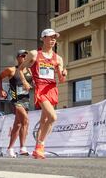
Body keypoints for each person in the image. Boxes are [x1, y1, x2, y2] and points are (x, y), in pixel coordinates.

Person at [19, 28, 67, 159]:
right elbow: (21, 69)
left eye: (54, 38)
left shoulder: (58, 58)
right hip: (41, 88)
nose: (53, 40)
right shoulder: (34, 54)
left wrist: (63, 74)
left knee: (44, 120)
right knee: (53, 117)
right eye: (50, 37)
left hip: (52, 89)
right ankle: (41, 145)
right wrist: (25, 82)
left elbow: (61, 80)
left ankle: (37, 149)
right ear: (43, 38)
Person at [0, 50, 32, 158]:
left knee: (18, 125)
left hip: (25, 99)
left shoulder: (29, 71)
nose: (24, 58)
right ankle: (22, 148)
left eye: (26, 56)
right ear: (17, 58)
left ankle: (10, 148)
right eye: (22, 56)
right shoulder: (11, 70)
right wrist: (1, 90)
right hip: (14, 98)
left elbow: (33, 83)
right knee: (26, 120)